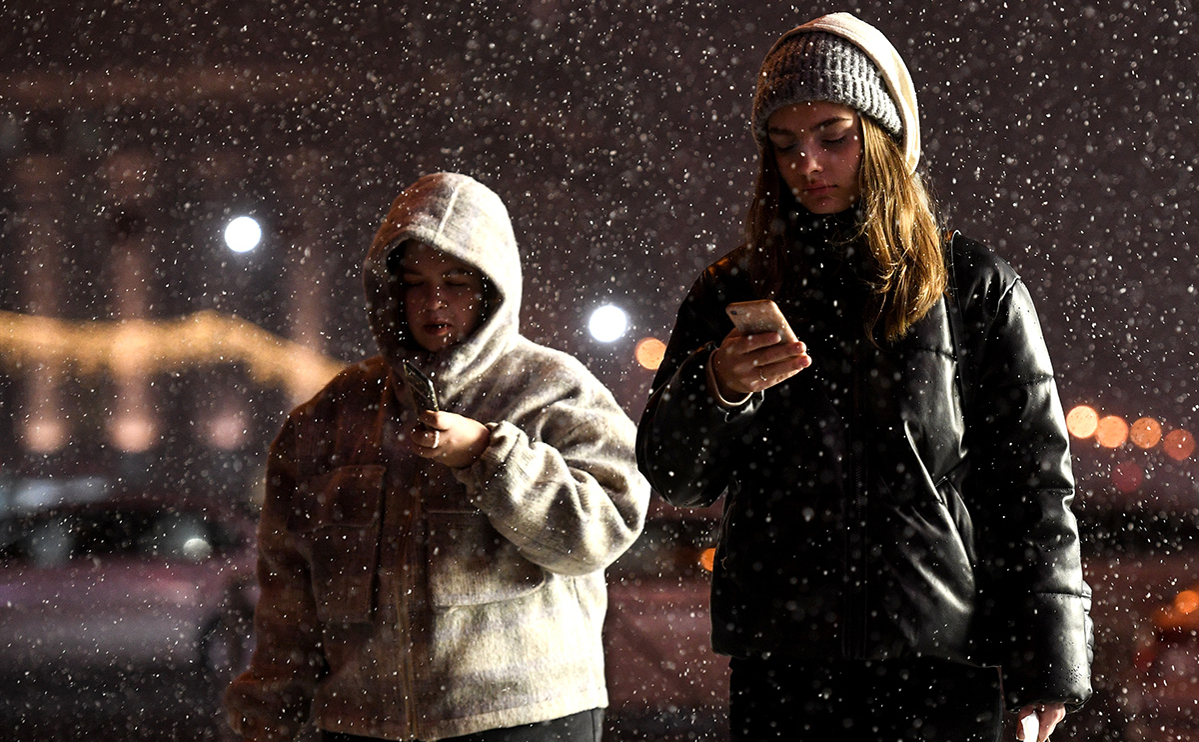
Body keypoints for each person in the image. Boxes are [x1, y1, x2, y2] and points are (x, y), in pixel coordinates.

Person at [636, 13, 1091, 742]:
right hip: (783, 670)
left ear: (884, 137)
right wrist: (717, 387)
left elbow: (1029, 488)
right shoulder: (732, 288)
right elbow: (673, 476)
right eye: (783, 145)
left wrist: (1047, 664)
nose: (806, 164)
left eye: (832, 136)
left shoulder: (974, 287)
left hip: (941, 666)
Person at [226, 172, 650, 742]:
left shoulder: (554, 392)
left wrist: (489, 456)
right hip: (362, 724)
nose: (434, 302)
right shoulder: (330, 418)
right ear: (389, 289)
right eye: (415, 282)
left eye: (456, 281)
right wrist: (270, 712)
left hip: (526, 719)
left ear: (493, 288)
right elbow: (289, 591)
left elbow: (603, 529)